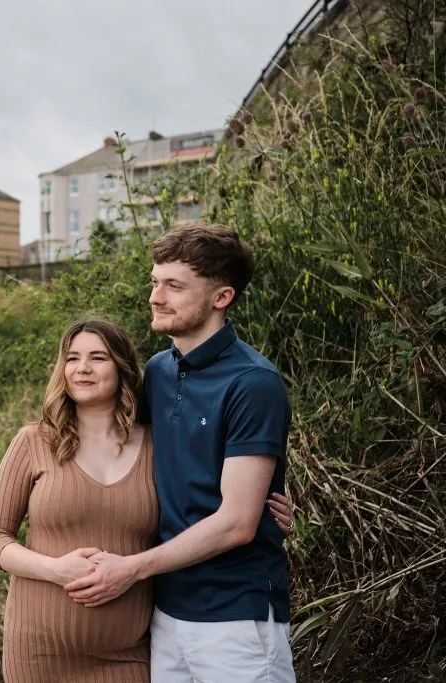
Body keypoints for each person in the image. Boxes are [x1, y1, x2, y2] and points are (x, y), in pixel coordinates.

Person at [0, 318, 293, 682]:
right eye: (71, 358)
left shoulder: (155, 445)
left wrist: (267, 513)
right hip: (41, 650)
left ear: (123, 369)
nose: (82, 369)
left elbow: (201, 499)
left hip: (130, 653)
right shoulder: (33, 442)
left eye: (98, 358)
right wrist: (56, 569)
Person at [63, 223, 295, 681]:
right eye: (154, 282)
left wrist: (131, 569)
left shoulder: (252, 383)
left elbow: (236, 523)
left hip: (235, 616)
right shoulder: (159, 371)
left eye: (174, 286)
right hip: (166, 611)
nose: (155, 296)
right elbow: (122, 457)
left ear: (221, 297)